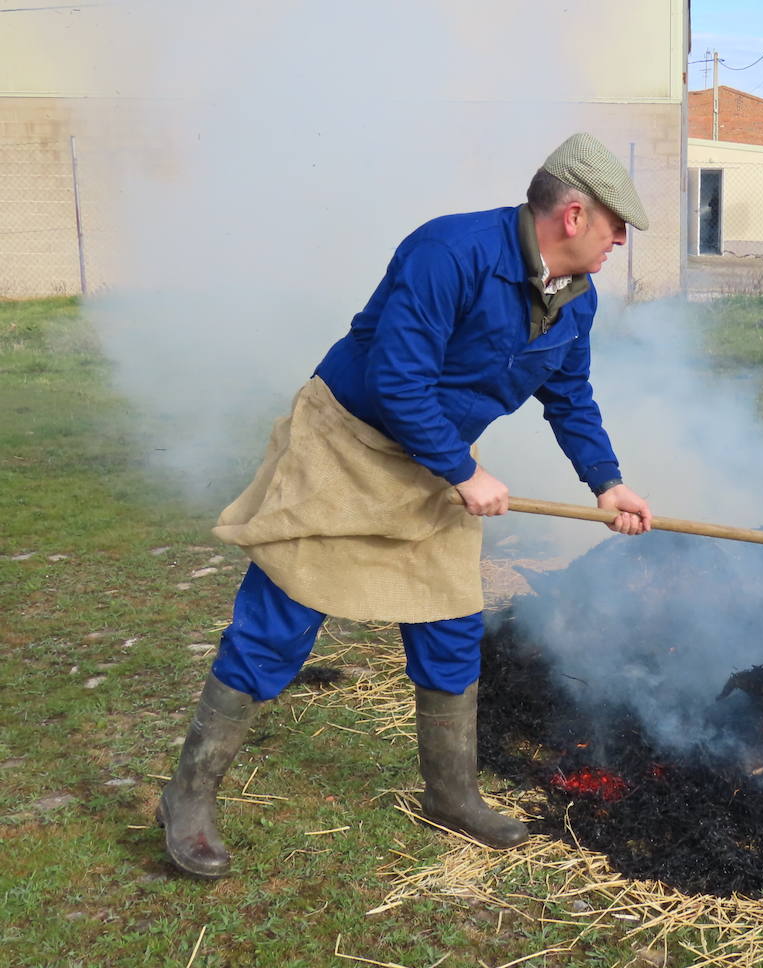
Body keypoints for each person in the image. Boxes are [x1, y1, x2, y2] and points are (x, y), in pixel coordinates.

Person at [157, 133, 656, 879]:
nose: (622, 240)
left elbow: (570, 397)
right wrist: (461, 470)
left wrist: (606, 482)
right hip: (349, 447)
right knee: (281, 621)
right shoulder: (449, 252)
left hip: (437, 467)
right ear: (575, 213)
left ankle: (451, 794)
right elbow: (397, 377)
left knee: (451, 622)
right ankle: (187, 795)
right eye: (618, 225)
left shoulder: (575, 302)